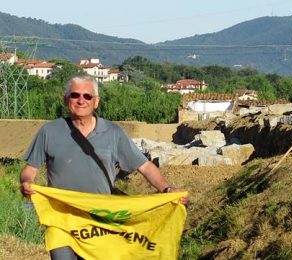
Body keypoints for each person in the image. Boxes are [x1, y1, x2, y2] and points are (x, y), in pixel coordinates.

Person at [20, 74, 189, 259]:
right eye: (75, 95)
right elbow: (30, 170)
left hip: (101, 222)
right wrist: (27, 183)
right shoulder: (49, 131)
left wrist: (167, 188)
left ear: (96, 101)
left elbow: (145, 167)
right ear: (66, 99)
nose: (81, 100)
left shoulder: (113, 132)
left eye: (87, 96)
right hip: (62, 220)